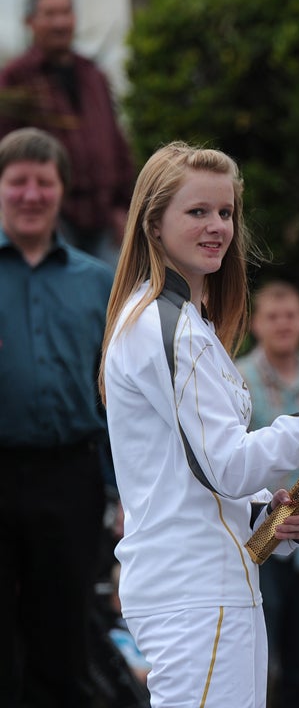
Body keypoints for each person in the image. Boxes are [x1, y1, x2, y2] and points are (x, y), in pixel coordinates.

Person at [98, 142, 299, 708]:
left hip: (210, 585)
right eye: (196, 211)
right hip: (195, 592)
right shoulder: (164, 325)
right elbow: (227, 464)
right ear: (154, 223)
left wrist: (261, 515)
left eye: (224, 212)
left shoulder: (180, 322)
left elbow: (186, 474)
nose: (217, 226)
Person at [0, 127, 114, 705]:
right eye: (17, 181)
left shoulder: (98, 283)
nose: (30, 194)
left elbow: (117, 395)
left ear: (62, 191)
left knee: (64, 631)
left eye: (43, 182)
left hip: (72, 477)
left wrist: (122, 493)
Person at [234, 280, 299, 708]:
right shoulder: (236, 377)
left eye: (290, 315)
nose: (282, 324)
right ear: (256, 324)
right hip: (259, 539)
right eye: (273, 316)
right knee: (257, 659)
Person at [0, 0, 135, 263]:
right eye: (49, 14)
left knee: (110, 300)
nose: (60, 23)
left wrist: (124, 207)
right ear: (30, 21)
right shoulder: (15, 80)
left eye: (66, 13)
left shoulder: (93, 75)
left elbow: (115, 141)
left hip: (104, 219)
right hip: (52, 219)